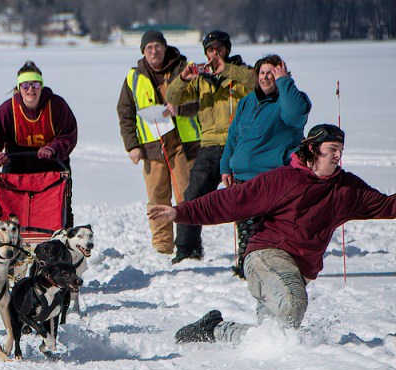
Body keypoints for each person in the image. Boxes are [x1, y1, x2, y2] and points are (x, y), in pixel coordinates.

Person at [148, 124, 396, 344]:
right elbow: (233, 200)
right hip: (267, 257)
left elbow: (386, 206)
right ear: (312, 148)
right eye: (332, 149)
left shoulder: (347, 188)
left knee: (272, 338)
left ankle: (214, 330)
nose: (338, 155)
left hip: (299, 272)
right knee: (294, 304)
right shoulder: (284, 179)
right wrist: (180, 212)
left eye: (341, 150)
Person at [165, 30, 255, 264]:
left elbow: (257, 83)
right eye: (210, 50)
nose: (215, 53)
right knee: (192, 197)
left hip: (237, 145)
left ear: (227, 50)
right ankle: (187, 249)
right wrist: (184, 77)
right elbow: (173, 97)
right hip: (209, 146)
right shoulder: (201, 79)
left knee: (244, 198)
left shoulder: (241, 72)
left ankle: (252, 250)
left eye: (219, 49)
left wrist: (228, 70)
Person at [220, 54, 312, 275]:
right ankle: (247, 268)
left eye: (272, 72)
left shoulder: (291, 100)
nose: (265, 77)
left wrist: (285, 82)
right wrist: (226, 165)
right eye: (262, 73)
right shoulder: (247, 102)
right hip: (242, 176)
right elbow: (233, 135)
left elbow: (296, 116)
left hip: (273, 177)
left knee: (270, 228)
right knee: (246, 228)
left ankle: (273, 268)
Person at [117, 30, 201, 255]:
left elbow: (203, 101)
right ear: (143, 52)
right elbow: (125, 113)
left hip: (183, 144)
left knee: (186, 196)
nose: (154, 51)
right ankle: (162, 246)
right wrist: (132, 145)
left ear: (165, 47)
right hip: (152, 147)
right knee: (157, 197)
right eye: (149, 48)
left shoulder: (186, 69)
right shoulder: (134, 77)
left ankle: (188, 244)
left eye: (157, 46)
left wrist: (180, 109)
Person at [0, 60, 78, 225]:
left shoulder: (56, 106)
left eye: (35, 85)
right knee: (12, 216)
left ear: (41, 86)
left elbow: (69, 134)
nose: (30, 89)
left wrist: (53, 148)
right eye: (25, 85)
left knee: (57, 215)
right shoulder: (8, 109)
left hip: (51, 168)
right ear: (19, 88)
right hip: (17, 169)